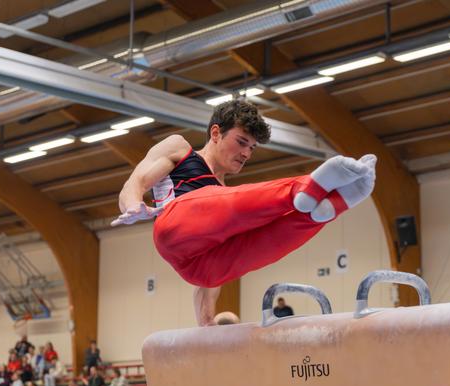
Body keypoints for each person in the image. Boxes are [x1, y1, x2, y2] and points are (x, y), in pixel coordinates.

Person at [112, 100, 376, 326]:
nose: (246, 153)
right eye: (241, 142)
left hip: (201, 269)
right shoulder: (179, 150)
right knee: (230, 202)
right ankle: (302, 189)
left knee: (262, 242)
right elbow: (134, 183)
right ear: (215, 133)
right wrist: (134, 204)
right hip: (174, 229)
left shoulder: (229, 196)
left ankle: (321, 211)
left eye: (252, 147)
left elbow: (207, 285)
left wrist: (206, 325)